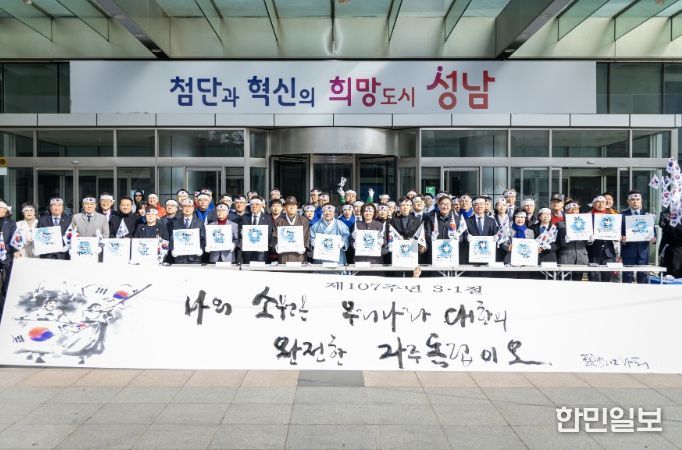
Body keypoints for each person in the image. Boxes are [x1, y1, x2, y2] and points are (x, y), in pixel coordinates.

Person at [620, 190, 656, 284]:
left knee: (643, 277)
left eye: (637, 199)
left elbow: (653, 234)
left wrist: (653, 239)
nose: (635, 202)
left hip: (643, 251)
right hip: (628, 251)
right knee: (627, 277)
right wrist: (622, 240)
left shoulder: (647, 216)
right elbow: (618, 234)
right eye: (632, 199)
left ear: (641, 201)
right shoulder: (622, 215)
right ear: (628, 201)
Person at [557, 200, 588, 281]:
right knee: (564, 283)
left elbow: (588, 243)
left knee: (578, 283)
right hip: (566, 257)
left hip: (581, 257)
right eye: (570, 209)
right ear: (565, 211)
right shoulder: (560, 224)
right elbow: (557, 242)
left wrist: (590, 240)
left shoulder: (585, 222)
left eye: (576, 209)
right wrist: (565, 240)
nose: (574, 211)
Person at [587, 195, 616, 282]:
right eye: (598, 202)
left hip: (608, 251)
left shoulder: (612, 216)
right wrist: (588, 240)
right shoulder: (587, 216)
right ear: (593, 204)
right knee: (594, 278)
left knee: (607, 279)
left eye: (603, 202)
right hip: (593, 251)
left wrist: (618, 236)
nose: (601, 204)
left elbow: (617, 232)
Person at [273, 196, 309, 264]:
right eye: (289, 205)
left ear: (297, 207)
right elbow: (274, 236)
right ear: (285, 207)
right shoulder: (279, 221)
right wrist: (276, 245)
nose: (292, 207)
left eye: (294, 205)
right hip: (284, 255)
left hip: (299, 255)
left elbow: (307, 236)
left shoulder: (303, 220)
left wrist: (304, 247)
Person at [462, 197, 497, 265]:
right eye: (476, 204)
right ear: (472, 206)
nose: (479, 206)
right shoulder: (467, 221)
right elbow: (464, 236)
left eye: (482, 204)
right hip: (473, 256)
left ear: (485, 205)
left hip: (487, 256)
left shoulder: (492, 221)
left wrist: (496, 237)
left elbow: (495, 234)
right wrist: (467, 238)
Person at [170, 199, 205, 265]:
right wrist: (173, 249)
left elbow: (203, 239)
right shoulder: (176, 222)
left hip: (195, 257)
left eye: (190, 206)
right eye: (185, 206)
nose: (187, 208)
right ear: (181, 208)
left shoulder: (199, 222)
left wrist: (201, 249)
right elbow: (172, 239)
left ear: (193, 208)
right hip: (180, 257)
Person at [241, 196, 274, 264]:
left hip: (262, 252)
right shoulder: (244, 217)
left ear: (262, 206)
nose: (254, 206)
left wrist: (262, 244)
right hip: (248, 252)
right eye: (252, 204)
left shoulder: (268, 218)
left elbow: (269, 234)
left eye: (257, 204)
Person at [660, 208, 682, 278]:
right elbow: (663, 225)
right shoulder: (666, 212)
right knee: (670, 274)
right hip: (671, 248)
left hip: (678, 247)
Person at [493, 197, 510, 264]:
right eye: (499, 205)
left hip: (508, 246)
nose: (502, 207)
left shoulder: (511, 218)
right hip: (496, 246)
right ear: (496, 207)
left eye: (504, 205)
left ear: (507, 206)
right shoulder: (491, 218)